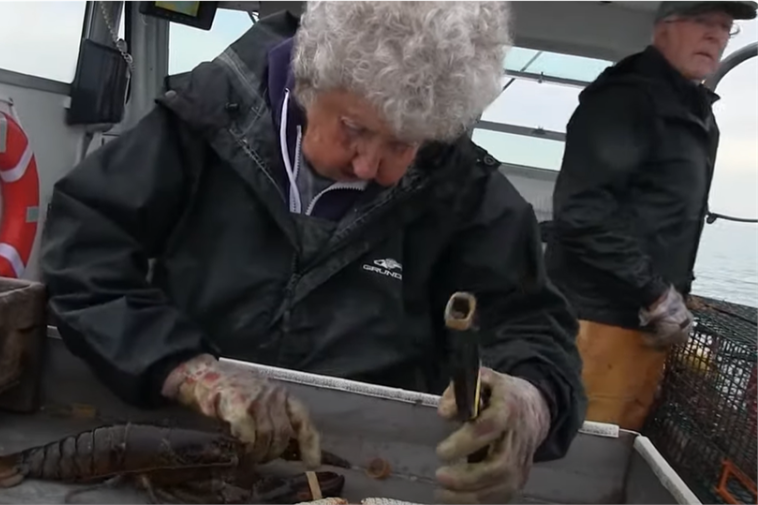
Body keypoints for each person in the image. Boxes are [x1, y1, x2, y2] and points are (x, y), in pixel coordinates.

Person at [41, 2, 585, 502]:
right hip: (173, 442)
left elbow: (533, 329)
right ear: (308, 78)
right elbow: (86, 250)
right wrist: (184, 369)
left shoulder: (469, 194)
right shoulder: (204, 117)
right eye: (354, 129)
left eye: (402, 145)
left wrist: (532, 401)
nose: (369, 167)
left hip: (358, 475)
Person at [546, 1, 756, 432]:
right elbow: (582, 212)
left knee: (611, 455)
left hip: (641, 326)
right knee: (572, 458)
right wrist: (657, 293)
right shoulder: (626, 99)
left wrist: (675, 291)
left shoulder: (692, 108)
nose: (715, 35)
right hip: (594, 324)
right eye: (703, 22)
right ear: (663, 28)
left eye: (725, 27)